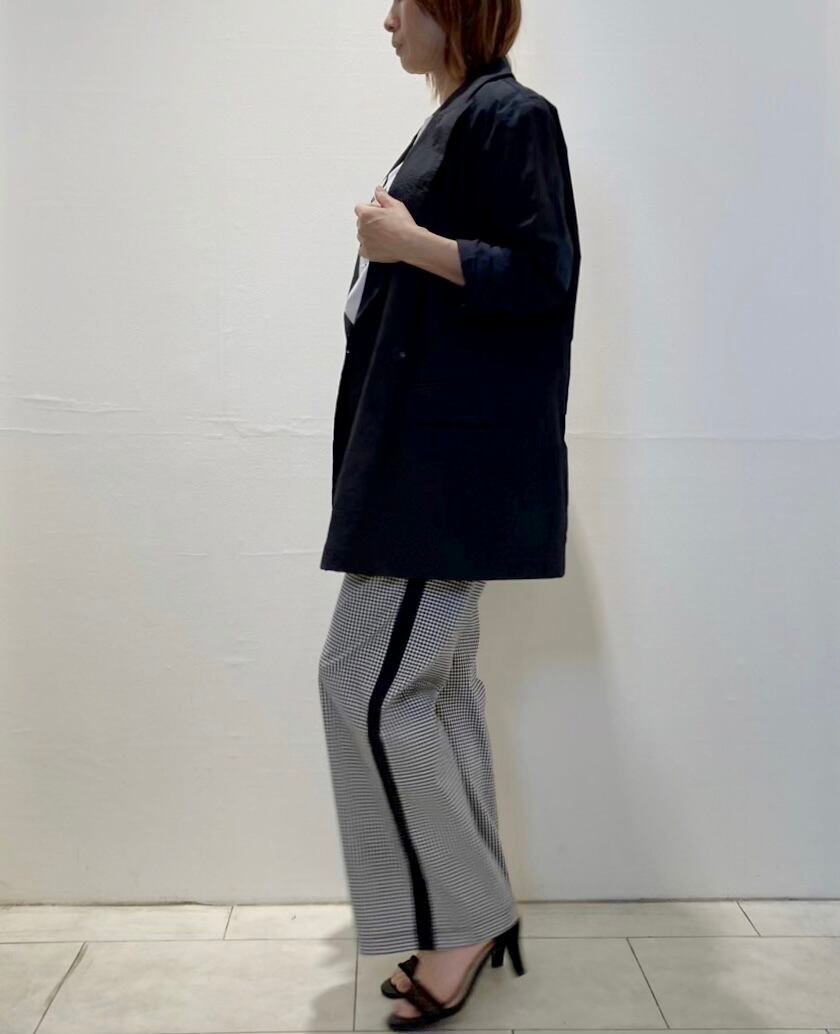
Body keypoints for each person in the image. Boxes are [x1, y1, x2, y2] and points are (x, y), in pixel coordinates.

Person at [317, 1, 581, 1029]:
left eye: (404, 0)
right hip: (418, 463)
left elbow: (544, 275)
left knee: (364, 687)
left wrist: (410, 243)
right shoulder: (457, 116)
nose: (386, 19)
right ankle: (475, 911)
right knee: (436, 694)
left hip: (442, 472)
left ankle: (460, 920)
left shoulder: (512, 116)